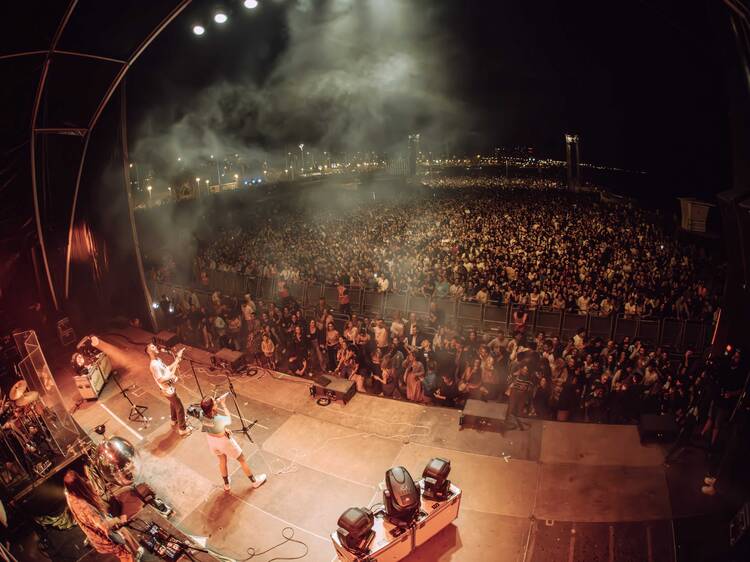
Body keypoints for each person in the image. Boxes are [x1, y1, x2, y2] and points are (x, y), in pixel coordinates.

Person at [64, 470, 143, 562]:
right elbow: (103, 525)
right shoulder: (86, 508)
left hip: (95, 533)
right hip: (104, 538)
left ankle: (137, 551)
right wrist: (118, 519)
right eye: (80, 480)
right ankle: (133, 556)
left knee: (123, 530)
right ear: (79, 485)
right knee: (126, 554)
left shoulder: (69, 494)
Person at [199, 394, 267, 492]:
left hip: (211, 440)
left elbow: (212, 426)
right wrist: (223, 404)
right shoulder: (218, 419)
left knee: (222, 460)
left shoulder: (202, 414)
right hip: (223, 441)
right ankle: (255, 481)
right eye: (214, 401)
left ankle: (226, 484)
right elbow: (229, 419)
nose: (216, 401)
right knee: (242, 459)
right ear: (212, 406)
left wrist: (223, 428)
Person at [146, 344, 191, 435]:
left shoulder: (158, 360)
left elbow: (167, 369)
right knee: (179, 408)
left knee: (173, 403)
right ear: (149, 352)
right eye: (153, 347)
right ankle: (182, 429)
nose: (156, 347)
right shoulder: (154, 365)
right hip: (167, 390)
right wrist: (172, 376)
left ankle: (174, 420)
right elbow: (161, 379)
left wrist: (177, 360)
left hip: (168, 388)